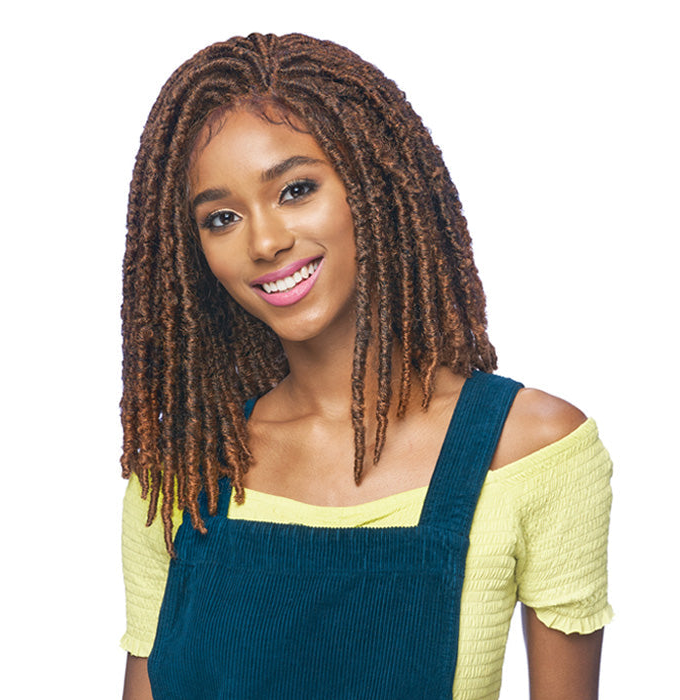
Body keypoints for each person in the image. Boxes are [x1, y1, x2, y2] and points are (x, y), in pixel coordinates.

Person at [119, 33, 613, 700]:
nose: (264, 242)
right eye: (222, 218)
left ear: (371, 185)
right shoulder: (184, 471)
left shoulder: (531, 450)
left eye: (296, 189)